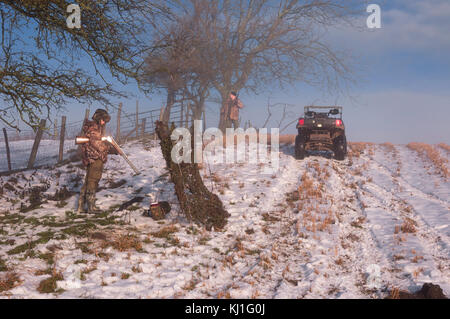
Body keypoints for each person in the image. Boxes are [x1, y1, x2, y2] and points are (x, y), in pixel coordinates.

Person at [78, 109, 118, 214]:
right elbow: (97, 144)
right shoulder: (94, 128)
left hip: (92, 157)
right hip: (95, 157)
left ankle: (81, 206)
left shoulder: (94, 128)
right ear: (98, 118)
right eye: (103, 120)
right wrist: (110, 148)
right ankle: (91, 206)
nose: (104, 122)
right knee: (93, 181)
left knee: (89, 181)